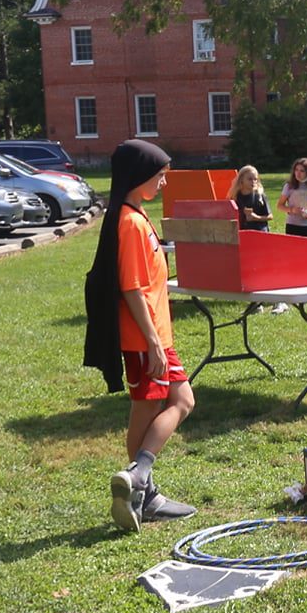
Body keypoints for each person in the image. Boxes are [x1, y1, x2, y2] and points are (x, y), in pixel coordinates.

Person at [82, 139, 196, 532]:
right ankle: (140, 479)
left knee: (158, 408)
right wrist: (151, 342)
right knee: (176, 403)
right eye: (160, 175)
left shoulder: (136, 215)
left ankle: (144, 492)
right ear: (139, 176)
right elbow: (131, 288)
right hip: (146, 339)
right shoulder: (129, 223)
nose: (163, 182)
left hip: (155, 335)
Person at [278, 157, 307, 238]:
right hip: (293, 225)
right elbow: (280, 206)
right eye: (296, 170)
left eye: (302, 171)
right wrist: (292, 210)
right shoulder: (289, 186)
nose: (298, 173)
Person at [232, 165, 271, 231]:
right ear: (241, 179)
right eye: (250, 179)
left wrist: (256, 217)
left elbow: (270, 216)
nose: (253, 181)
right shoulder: (236, 196)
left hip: (260, 231)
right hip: (243, 232)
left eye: (255, 179)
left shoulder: (260, 195)